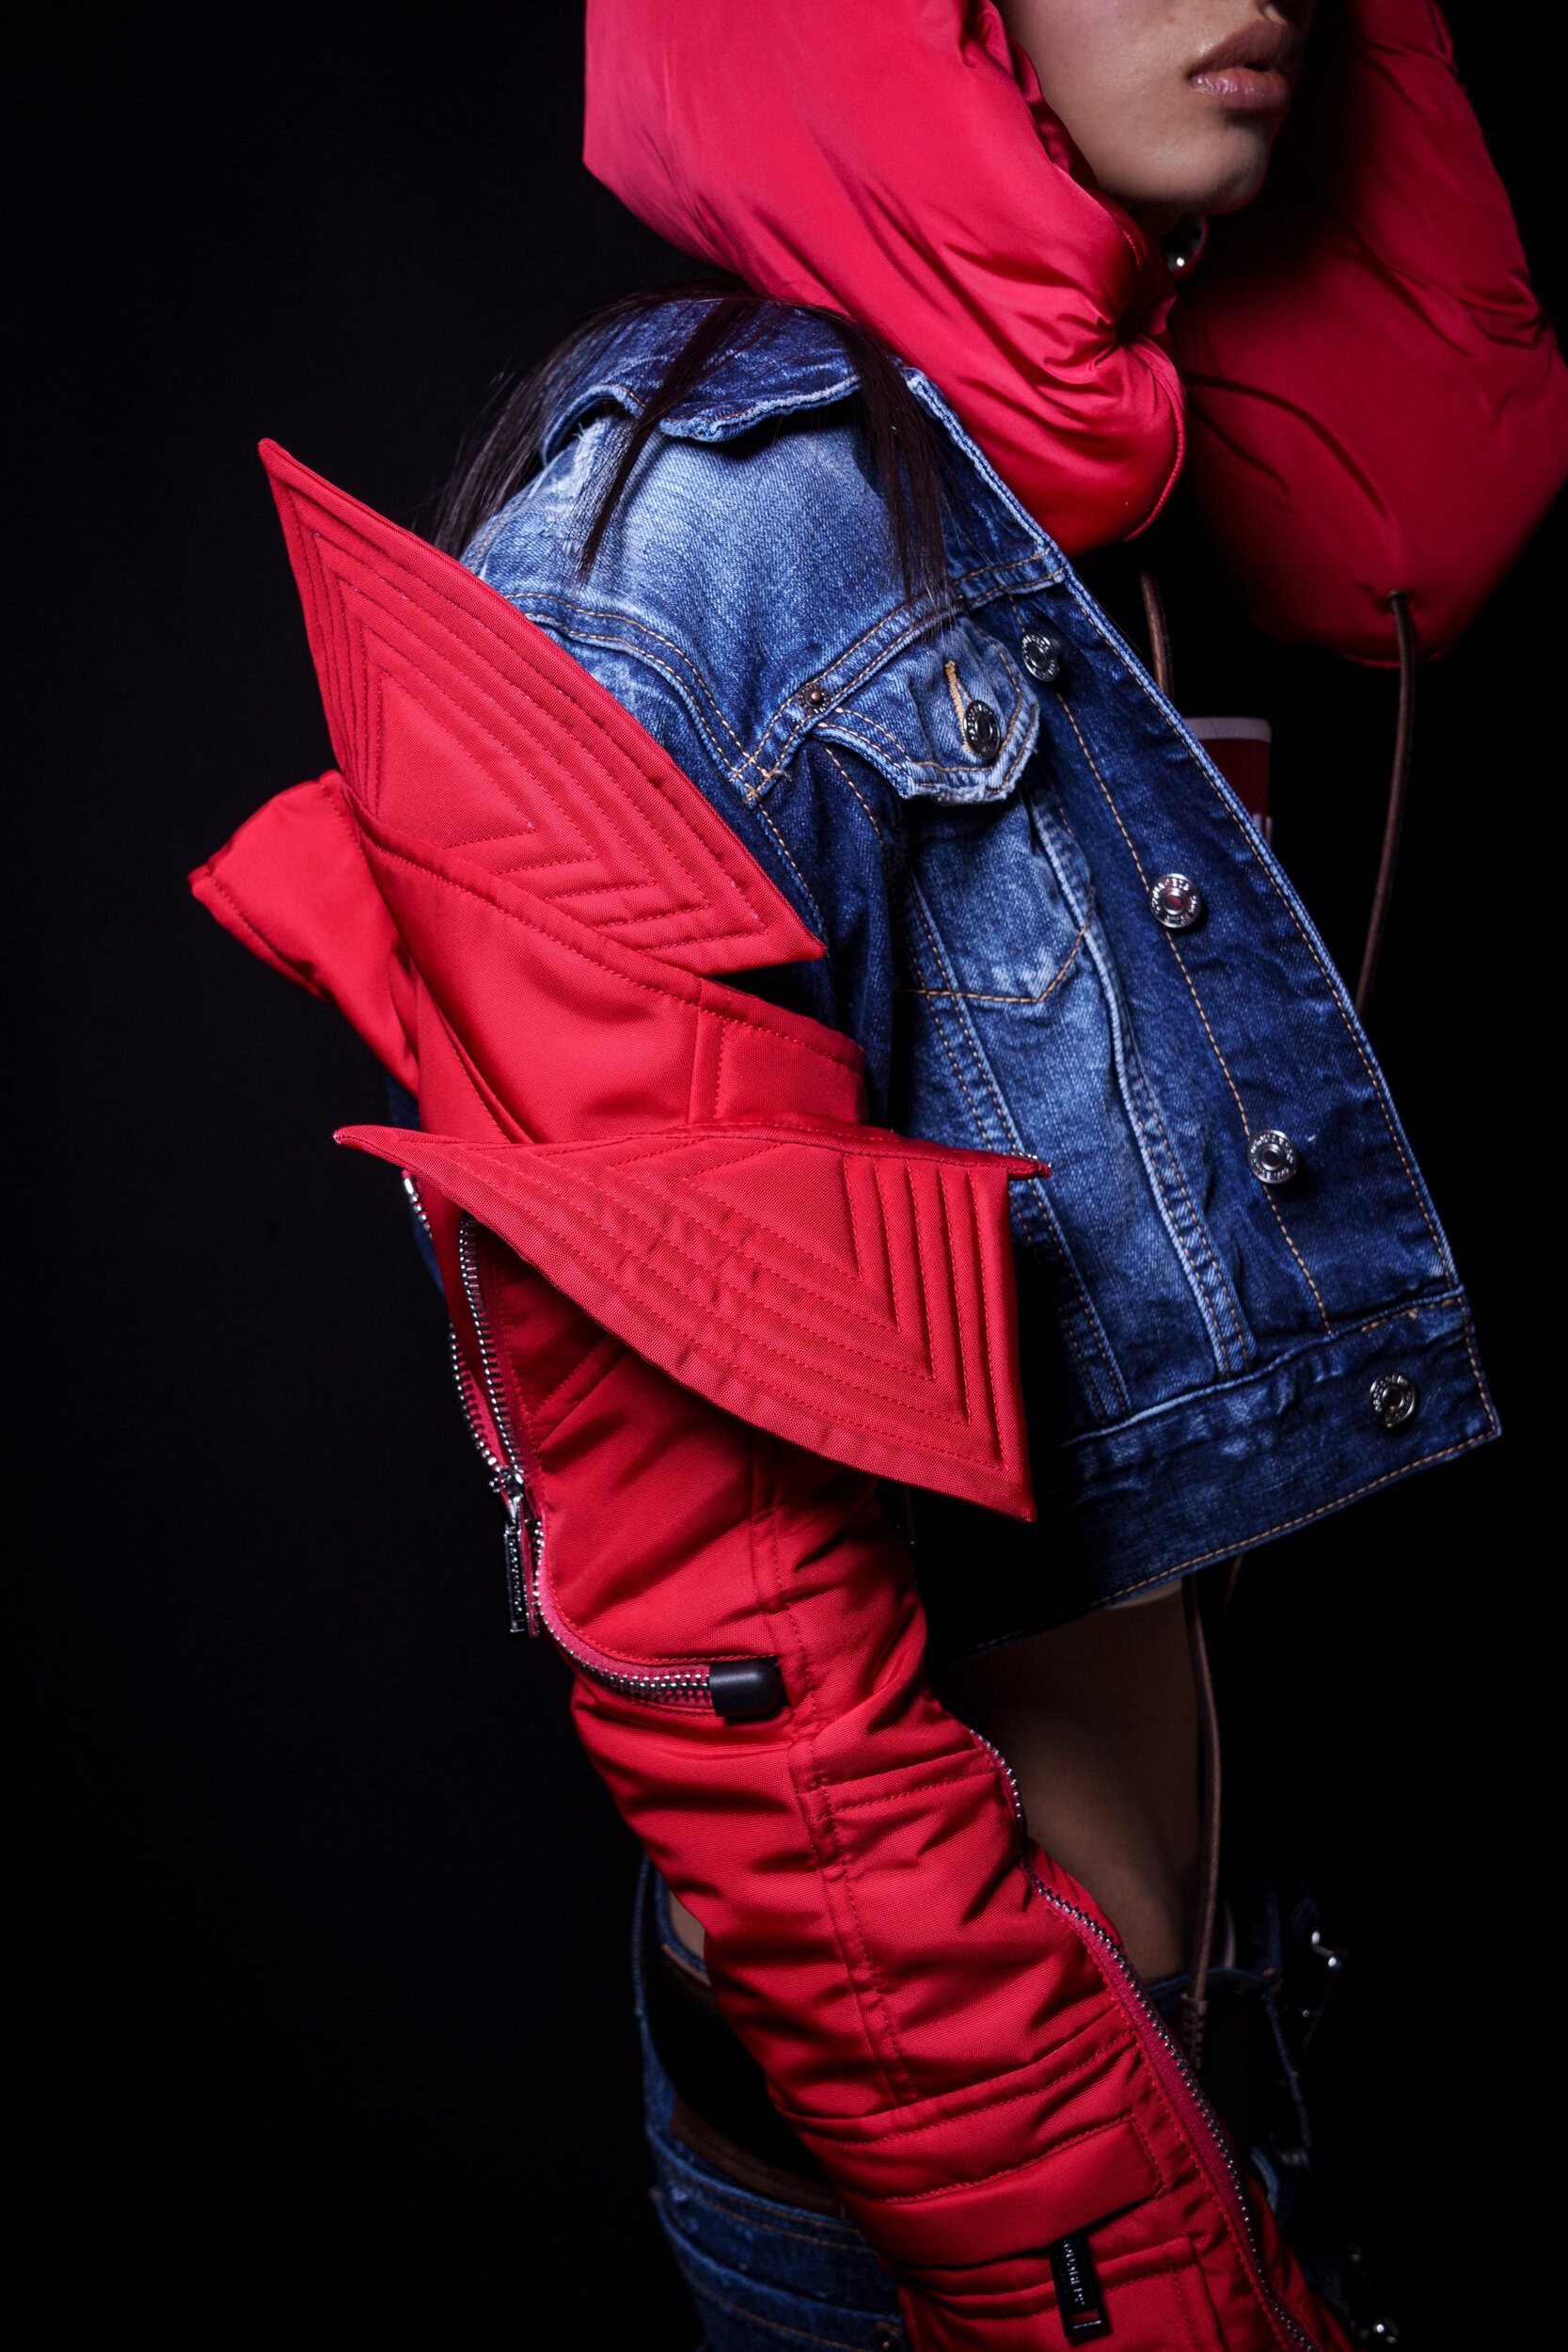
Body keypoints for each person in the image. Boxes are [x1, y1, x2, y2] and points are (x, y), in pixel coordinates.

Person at [192, 4, 1566, 2345]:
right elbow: (722, 1642)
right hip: (964, 2162)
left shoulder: (1132, 495)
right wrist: (1106, 2255)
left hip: (1236, 2028)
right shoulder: (699, 537)